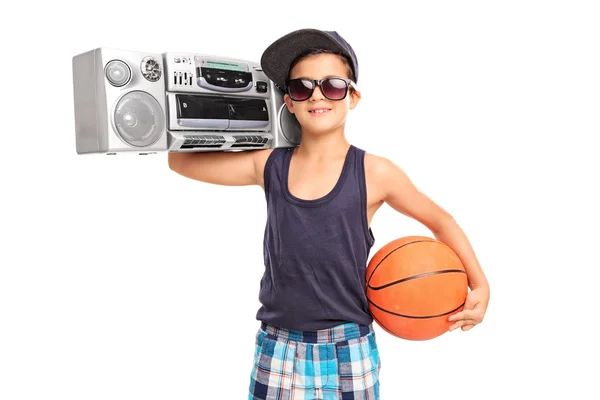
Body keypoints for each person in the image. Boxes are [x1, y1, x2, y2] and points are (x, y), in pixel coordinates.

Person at [168, 28, 490, 400]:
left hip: (348, 344)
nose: (317, 95)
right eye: (302, 87)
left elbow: (441, 221)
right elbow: (180, 161)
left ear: (352, 97)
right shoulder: (267, 164)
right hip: (278, 341)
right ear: (288, 101)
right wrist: (216, 97)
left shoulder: (374, 171)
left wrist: (481, 284)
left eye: (333, 86)